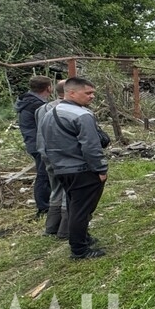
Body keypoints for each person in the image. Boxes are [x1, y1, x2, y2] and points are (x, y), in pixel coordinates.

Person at [40, 76, 109, 259]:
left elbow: (45, 143)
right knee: (82, 210)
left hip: (61, 169)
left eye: (93, 92)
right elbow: (91, 147)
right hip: (82, 170)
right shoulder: (82, 115)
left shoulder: (50, 113)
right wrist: (101, 169)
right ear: (71, 93)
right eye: (87, 93)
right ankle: (79, 250)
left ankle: (82, 237)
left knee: (73, 205)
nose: (92, 96)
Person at [15, 76, 53, 216]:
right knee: (43, 174)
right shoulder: (37, 105)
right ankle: (43, 207)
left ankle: (47, 203)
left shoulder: (29, 101)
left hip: (34, 142)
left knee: (45, 173)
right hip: (38, 143)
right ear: (49, 88)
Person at [36, 80, 68, 239]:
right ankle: (65, 230)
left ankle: (51, 227)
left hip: (45, 154)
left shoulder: (42, 108)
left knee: (56, 188)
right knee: (69, 192)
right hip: (62, 156)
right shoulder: (66, 109)